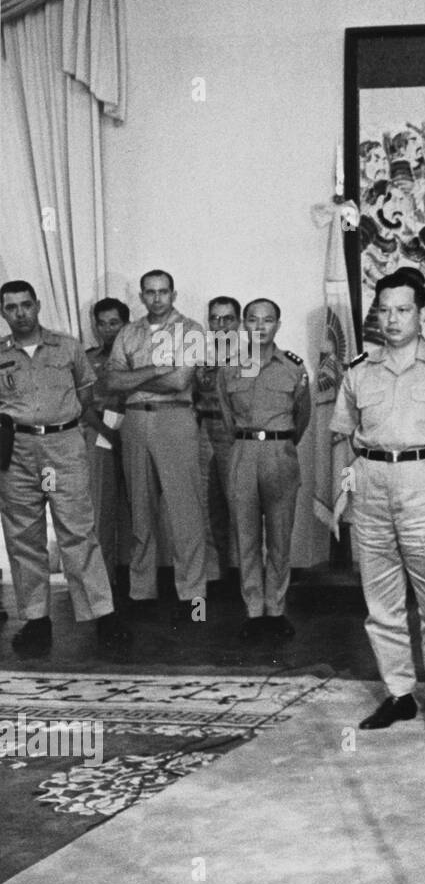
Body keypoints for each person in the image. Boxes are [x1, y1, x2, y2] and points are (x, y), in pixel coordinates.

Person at [331, 269, 425, 734]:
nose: (392, 319)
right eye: (385, 310)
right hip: (370, 482)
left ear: (422, 314)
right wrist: (348, 489)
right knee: (380, 602)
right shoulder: (359, 370)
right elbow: (341, 438)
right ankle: (399, 694)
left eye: (403, 310)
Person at [0, 280, 130, 654]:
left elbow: (86, 394)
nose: (21, 313)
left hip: (61, 446)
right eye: (12, 307)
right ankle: (37, 620)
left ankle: (103, 615)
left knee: (77, 529)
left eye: (26, 304)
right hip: (18, 451)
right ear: (4, 312)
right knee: (24, 536)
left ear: (38, 305)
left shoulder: (67, 347)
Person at [105, 270, 211, 623]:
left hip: (175, 419)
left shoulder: (191, 330)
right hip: (135, 421)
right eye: (149, 293)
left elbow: (181, 379)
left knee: (186, 511)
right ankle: (141, 592)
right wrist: (155, 368)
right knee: (140, 509)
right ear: (141, 296)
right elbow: (112, 380)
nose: (156, 298)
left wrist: (136, 377)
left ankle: (193, 596)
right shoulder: (128, 331)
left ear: (173, 293)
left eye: (163, 292)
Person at [217, 298, 312, 644]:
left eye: (268, 320)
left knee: (279, 538)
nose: (260, 327)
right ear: (244, 325)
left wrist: (280, 444)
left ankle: (276, 609)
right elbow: (227, 417)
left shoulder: (294, 369)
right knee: (245, 538)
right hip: (243, 452)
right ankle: (253, 610)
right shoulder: (229, 369)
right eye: (253, 320)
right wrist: (248, 444)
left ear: (278, 324)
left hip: (280, 454)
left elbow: (303, 417)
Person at [82, 298, 133, 598]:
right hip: (99, 432)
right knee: (101, 508)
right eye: (101, 323)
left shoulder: (138, 356)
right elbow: (81, 402)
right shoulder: (88, 359)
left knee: (139, 508)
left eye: (114, 323)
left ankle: (138, 580)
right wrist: (105, 432)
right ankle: (105, 580)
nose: (107, 329)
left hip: (136, 430)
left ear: (125, 324)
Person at [198, 295, 242, 585]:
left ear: (237, 322)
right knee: (206, 506)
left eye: (227, 319)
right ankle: (215, 576)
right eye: (215, 318)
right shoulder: (199, 354)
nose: (221, 324)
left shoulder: (250, 355)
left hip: (234, 436)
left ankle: (243, 573)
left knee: (239, 506)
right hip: (204, 432)